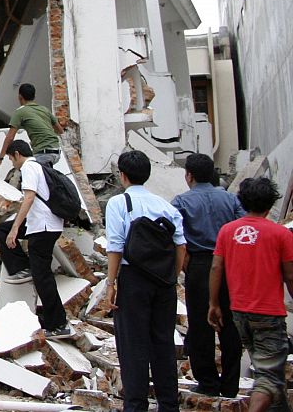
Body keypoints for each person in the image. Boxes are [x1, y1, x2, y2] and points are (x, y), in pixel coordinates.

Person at [105, 150, 186, 412]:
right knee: (163, 343)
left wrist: (111, 283)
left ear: (122, 175)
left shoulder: (118, 203)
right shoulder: (165, 206)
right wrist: (172, 276)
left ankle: (136, 405)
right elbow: (180, 245)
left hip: (133, 279)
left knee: (132, 344)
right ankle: (168, 405)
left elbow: (115, 246)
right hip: (163, 281)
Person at [209, 178, 293, 412]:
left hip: (239, 312)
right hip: (268, 314)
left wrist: (213, 303)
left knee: (267, 370)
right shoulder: (281, 234)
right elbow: (290, 275)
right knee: (268, 377)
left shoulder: (227, 231)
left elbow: (216, 267)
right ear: (270, 204)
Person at [171, 153, 244, 398]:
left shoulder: (181, 201)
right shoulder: (230, 199)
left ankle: (208, 382)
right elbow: (242, 227)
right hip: (229, 264)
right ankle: (231, 383)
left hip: (199, 265)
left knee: (201, 325)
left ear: (189, 176)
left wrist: (182, 261)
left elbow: (173, 234)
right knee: (230, 324)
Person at [3, 140, 70, 339]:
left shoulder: (29, 168)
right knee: (2, 230)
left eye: (11, 159)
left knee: (43, 278)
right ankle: (23, 268)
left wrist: (15, 227)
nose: (12, 163)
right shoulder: (39, 166)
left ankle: (58, 324)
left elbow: (29, 197)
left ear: (17, 154)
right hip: (45, 225)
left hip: (43, 227)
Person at [0, 83, 63, 171]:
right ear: (34, 96)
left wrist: (0, 158)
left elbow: (10, 137)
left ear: (20, 96)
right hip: (56, 152)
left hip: (43, 153)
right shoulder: (44, 109)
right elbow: (60, 131)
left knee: (26, 174)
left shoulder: (20, 112)